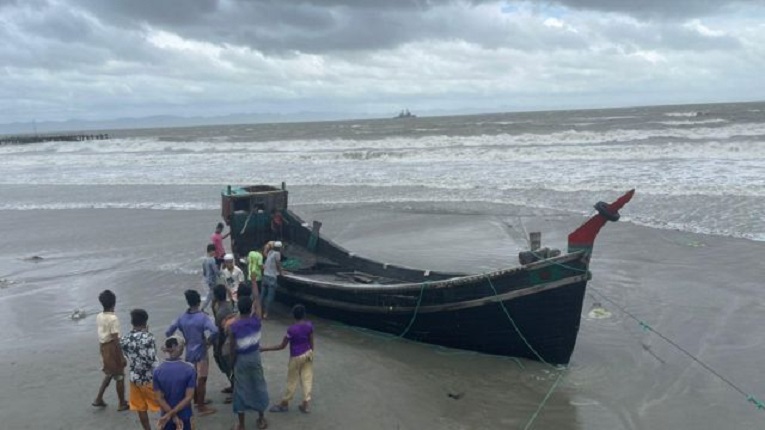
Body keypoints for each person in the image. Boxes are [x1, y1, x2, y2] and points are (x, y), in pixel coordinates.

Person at [166, 289, 218, 416]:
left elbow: (168, 332)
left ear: (188, 302)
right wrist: (209, 342)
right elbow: (215, 331)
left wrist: (177, 345)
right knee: (202, 379)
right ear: (199, 301)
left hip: (189, 351)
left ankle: (197, 400)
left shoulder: (182, 318)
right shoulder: (202, 317)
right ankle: (201, 406)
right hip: (201, 350)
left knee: (193, 378)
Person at [262, 304, 314, 414]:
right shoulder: (309, 326)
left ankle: (284, 403)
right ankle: (306, 404)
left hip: (296, 357)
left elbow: (282, 346)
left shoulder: (291, 330)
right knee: (307, 378)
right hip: (308, 353)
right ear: (304, 315)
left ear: (293, 316)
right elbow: (311, 341)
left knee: (292, 381)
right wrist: (311, 353)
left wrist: (264, 348)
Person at [229, 296, 269, 430]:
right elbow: (258, 302)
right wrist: (253, 283)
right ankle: (261, 418)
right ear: (251, 308)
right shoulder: (257, 321)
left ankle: (241, 424)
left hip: (241, 359)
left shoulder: (234, 326)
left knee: (240, 390)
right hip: (255, 357)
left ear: (239, 309)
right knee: (258, 385)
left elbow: (232, 349)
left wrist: (232, 363)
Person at [121, 309, 159, 430]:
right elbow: (152, 359)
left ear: (132, 322)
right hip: (149, 378)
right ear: (145, 322)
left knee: (141, 408)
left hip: (134, 378)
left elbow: (127, 356)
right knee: (162, 403)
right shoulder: (149, 337)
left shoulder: (124, 339)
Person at [92, 289, 129, 411]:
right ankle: (122, 402)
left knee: (109, 373)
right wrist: (122, 356)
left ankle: (98, 398)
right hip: (112, 347)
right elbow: (115, 338)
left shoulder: (99, 316)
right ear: (114, 303)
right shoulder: (113, 318)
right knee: (119, 375)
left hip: (103, 347)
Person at [153, 337, 196, 430]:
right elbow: (188, 397)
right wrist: (173, 414)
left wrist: (170, 415)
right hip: (185, 415)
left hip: (165, 417)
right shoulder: (190, 369)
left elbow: (159, 398)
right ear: (177, 348)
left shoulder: (157, 371)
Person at [211, 284, 235, 399]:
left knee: (226, 365)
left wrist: (218, 347)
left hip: (224, 341)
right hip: (228, 340)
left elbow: (220, 332)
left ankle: (235, 389)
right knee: (228, 366)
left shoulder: (221, 311)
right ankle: (233, 385)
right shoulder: (228, 305)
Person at [261, 241, 284, 319]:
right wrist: (281, 272)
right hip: (272, 277)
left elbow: (265, 252)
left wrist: (267, 246)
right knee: (270, 297)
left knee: (262, 294)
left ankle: (259, 310)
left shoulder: (270, 252)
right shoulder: (277, 254)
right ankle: (266, 313)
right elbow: (278, 264)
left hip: (265, 275)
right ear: (280, 248)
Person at [201, 243, 220, 312]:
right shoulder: (212, 259)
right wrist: (221, 274)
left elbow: (204, 272)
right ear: (211, 251)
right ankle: (203, 308)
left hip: (208, 280)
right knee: (211, 295)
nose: (214, 252)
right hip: (213, 280)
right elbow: (216, 271)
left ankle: (211, 308)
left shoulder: (205, 260)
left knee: (213, 295)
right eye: (214, 251)